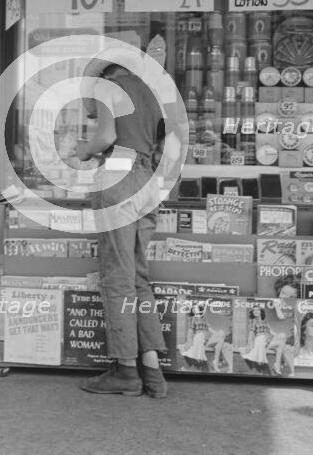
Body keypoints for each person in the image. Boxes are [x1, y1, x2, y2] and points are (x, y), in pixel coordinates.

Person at [76, 46, 180, 398]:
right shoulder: (152, 97)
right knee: (138, 277)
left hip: (119, 176)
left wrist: (85, 151)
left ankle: (125, 371)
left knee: (117, 277)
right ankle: (152, 371)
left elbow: (105, 137)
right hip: (148, 181)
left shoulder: (110, 88)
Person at [239, 306, 271, 373]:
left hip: (266, 340)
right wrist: (249, 343)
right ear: (253, 313)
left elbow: (268, 332)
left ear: (261, 311)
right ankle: (260, 365)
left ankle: (260, 365)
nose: (256, 311)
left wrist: (268, 340)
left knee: (261, 356)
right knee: (259, 357)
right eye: (254, 310)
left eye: (257, 310)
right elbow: (251, 332)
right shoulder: (253, 321)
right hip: (259, 339)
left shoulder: (265, 322)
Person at [178, 303, 209, 370]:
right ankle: (191, 366)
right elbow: (190, 330)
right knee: (190, 351)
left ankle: (192, 366)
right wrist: (189, 341)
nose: (195, 309)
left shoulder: (204, 318)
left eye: (197, 308)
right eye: (194, 308)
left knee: (196, 352)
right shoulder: (193, 319)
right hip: (198, 337)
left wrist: (207, 338)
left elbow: (207, 329)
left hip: (203, 338)